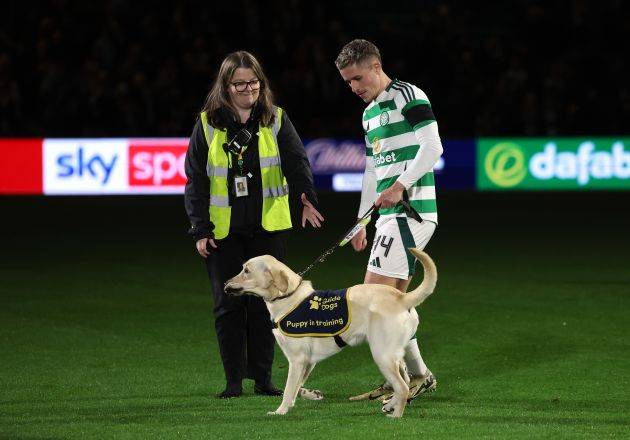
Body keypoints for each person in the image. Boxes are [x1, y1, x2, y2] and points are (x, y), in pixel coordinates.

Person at [185, 50, 324, 398]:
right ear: (226, 86)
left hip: (268, 230)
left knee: (268, 307)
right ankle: (233, 382)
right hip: (223, 233)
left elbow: (297, 161)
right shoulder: (206, 124)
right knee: (227, 305)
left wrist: (306, 195)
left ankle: (263, 379)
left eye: (254, 82)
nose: (249, 89)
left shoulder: (275, 119)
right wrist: (200, 228)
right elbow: (196, 182)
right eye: (240, 84)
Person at [335, 39, 443, 402]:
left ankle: (405, 375)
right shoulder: (369, 114)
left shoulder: (407, 96)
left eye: (358, 78)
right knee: (393, 303)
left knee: (376, 301)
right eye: (347, 82)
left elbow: (433, 147)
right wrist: (360, 221)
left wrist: (400, 185)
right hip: (388, 218)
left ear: (376, 67)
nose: (353, 87)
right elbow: (371, 170)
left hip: (410, 214)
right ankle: (414, 375)